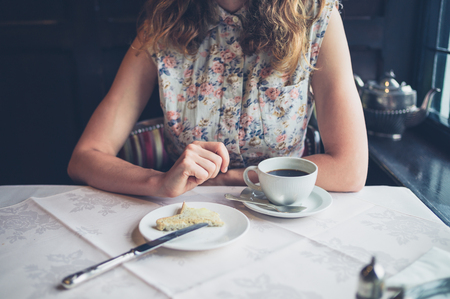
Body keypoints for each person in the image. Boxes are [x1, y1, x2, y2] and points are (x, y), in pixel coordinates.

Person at [68, 0, 368, 198]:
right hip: (191, 215)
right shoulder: (163, 24)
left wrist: (232, 179)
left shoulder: (315, 18)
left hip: (286, 211)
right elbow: (85, 157)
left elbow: (350, 168)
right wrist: (158, 182)